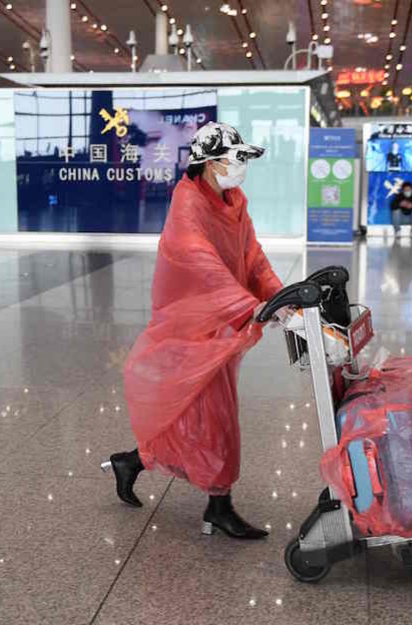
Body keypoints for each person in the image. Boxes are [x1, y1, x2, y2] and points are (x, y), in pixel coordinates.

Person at [103, 122, 283, 540]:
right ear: (210, 162)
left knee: (197, 417)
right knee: (215, 419)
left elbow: (251, 257)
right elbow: (202, 265)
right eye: (236, 160)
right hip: (193, 328)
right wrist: (251, 308)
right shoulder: (188, 207)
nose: (241, 168)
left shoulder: (233, 201)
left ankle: (132, 463)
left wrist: (279, 296)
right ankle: (218, 507)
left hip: (221, 326)